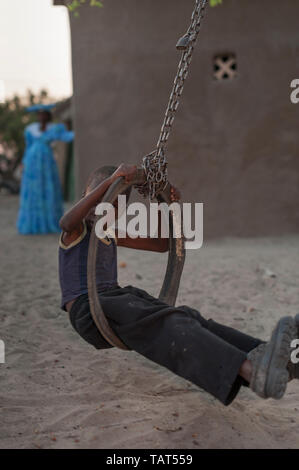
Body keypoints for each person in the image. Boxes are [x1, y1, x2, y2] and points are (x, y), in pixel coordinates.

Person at [58, 164, 299, 406]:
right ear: (87, 197)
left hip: (117, 298)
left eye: (115, 205)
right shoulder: (76, 230)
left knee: (186, 316)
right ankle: (251, 371)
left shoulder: (111, 233)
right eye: (101, 200)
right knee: (169, 324)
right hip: (88, 308)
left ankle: (273, 359)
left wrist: (164, 202)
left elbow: (163, 244)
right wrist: (110, 182)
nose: (105, 209)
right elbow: (66, 222)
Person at [17, 104, 74, 235]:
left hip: (47, 164)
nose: (41, 116)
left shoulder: (54, 129)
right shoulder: (30, 129)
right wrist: (24, 163)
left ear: (48, 116)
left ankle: (50, 222)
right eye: (39, 114)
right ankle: (33, 223)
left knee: (48, 189)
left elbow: (67, 137)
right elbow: (27, 147)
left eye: (44, 114)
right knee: (33, 191)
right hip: (32, 164)